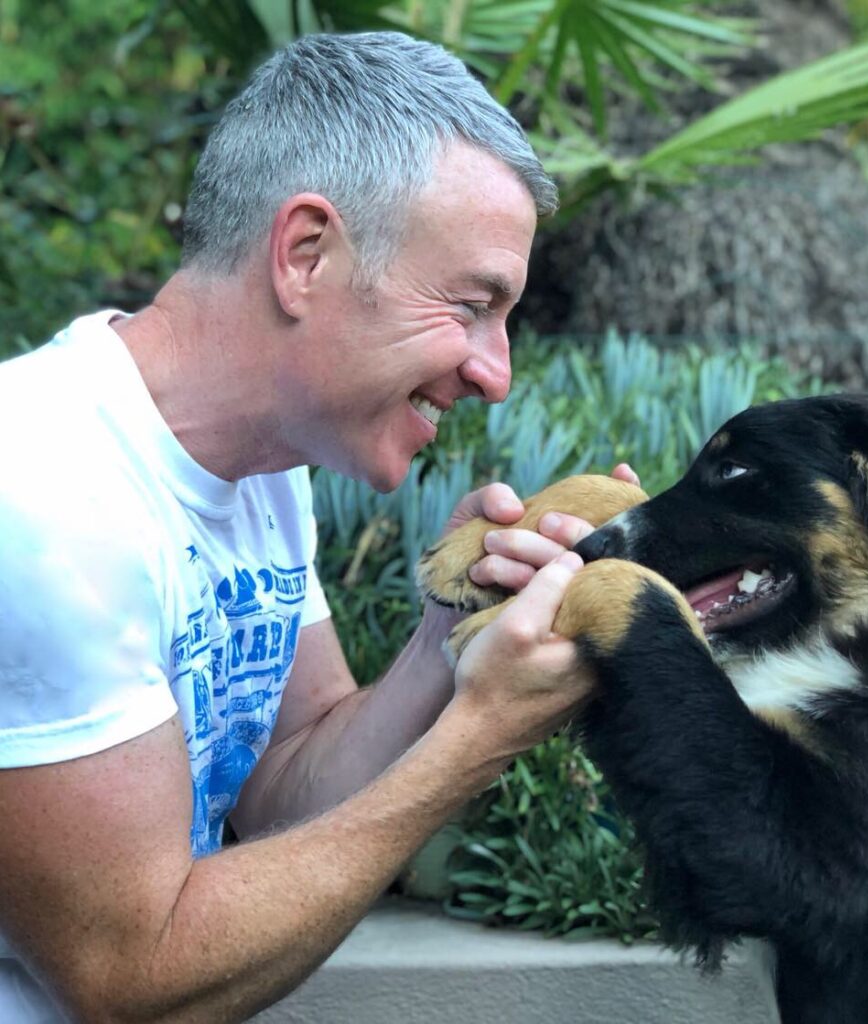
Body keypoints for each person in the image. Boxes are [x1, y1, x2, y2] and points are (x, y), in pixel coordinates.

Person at [0, 30, 639, 1024]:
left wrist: (451, 634)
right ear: (305, 253)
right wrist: (483, 733)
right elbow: (133, 980)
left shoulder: (262, 469)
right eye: (471, 305)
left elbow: (290, 784)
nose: (494, 371)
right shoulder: (39, 502)